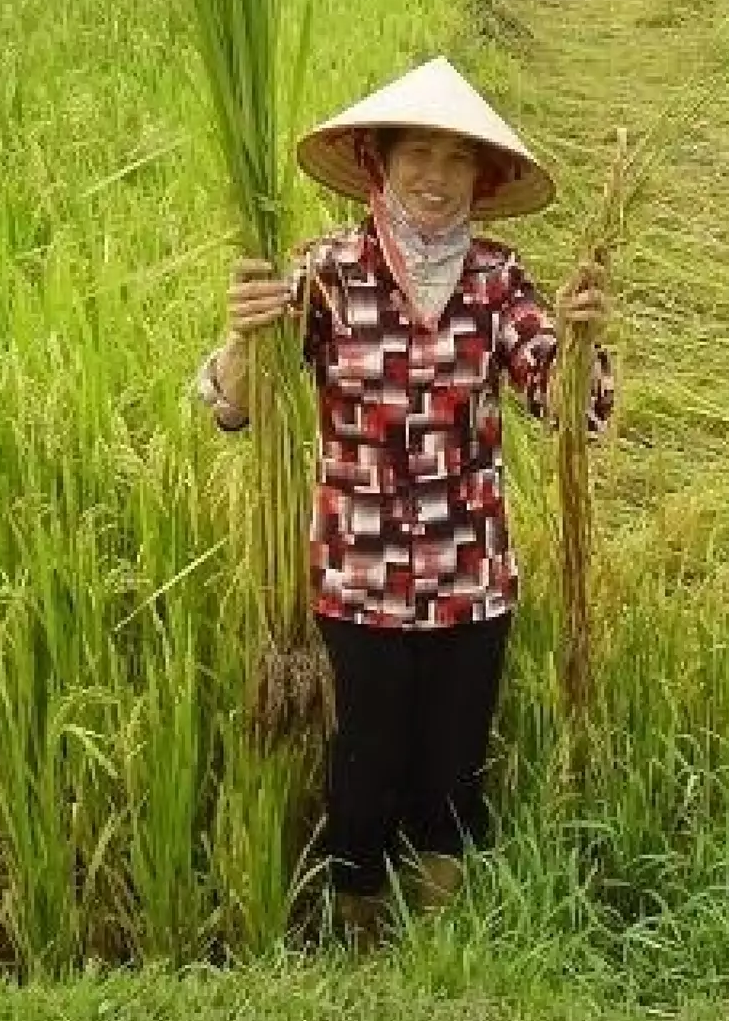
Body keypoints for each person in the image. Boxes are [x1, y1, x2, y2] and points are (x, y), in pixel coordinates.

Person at [193, 55, 615, 947]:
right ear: (378, 163)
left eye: (456, 159)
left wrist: (579, 342)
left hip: (471, 576)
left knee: (452, 774)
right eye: (416, 153)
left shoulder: (499, 279)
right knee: (364, 771)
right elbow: (238, 407)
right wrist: (243, 335)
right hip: (359, 578)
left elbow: (564, 404)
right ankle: (356, 933)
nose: (435, 175)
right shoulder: (326, 271)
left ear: (482, 177)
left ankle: (441, 938)